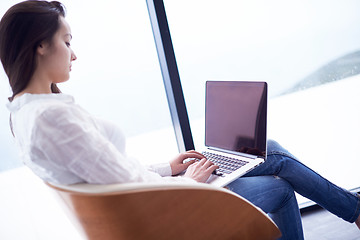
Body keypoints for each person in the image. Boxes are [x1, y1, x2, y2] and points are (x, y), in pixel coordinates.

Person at [0, 1, 359, 239]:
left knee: (269, 149)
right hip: (169, 213)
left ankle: (356, 211)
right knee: (279, 183)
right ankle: (356, 211)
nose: (74, 53)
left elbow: (107, 173)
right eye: (66, 41)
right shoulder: (51, 118)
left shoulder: (27, 112)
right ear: (40, 46)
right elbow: (124, 183)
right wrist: (191, 184)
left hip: (159, 201)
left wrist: (167, 168)